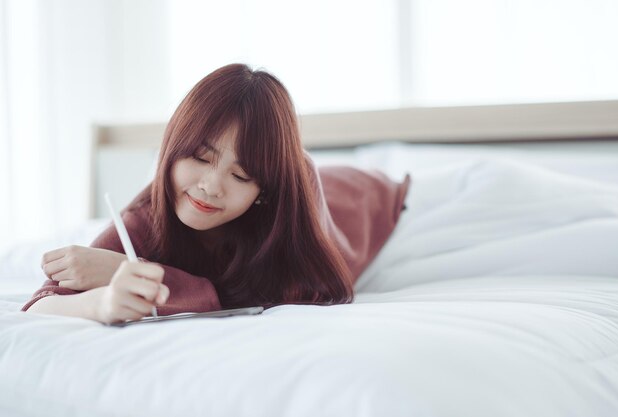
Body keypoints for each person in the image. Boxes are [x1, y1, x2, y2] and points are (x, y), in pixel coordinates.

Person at [22, 63, 410, 324]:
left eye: (241, 175)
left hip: (361, 198)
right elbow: (41, 304)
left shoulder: (292, 187)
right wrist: (103, 300)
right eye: (198, 158)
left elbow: (312, 289)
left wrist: (163, 287)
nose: (211, 186)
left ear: (264, 188)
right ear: (173, 149)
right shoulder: (146, 216)